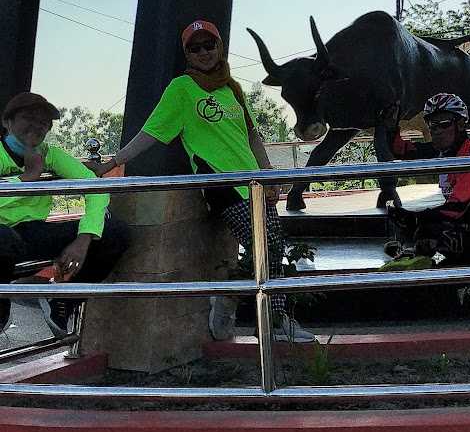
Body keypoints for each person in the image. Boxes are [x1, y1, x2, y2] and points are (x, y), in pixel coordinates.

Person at [94, 19, 315, 342]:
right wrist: (115, 161)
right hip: (219, 181)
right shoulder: (181, 89)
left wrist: (269, 176)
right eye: (194, 48)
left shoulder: (232, 88)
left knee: (273, 245)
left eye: (209, 45)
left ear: (220, 47)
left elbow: (251, 136)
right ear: (187, 54)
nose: (204, 53)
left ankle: (264, 317)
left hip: (252, 182)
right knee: (264, 244)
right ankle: (247, 309)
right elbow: (151, 132)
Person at [0, 92, 130, 337]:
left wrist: (84, 238)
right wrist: (27, 178)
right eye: (28, 117)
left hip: (30, 233)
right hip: (3, 237)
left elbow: (96, 188)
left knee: (116, 233)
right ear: (7, 122)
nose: (37, 126)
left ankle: (62, 301)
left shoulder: (49, 153)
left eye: (44, 122)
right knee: (3, 239)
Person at [383, 92, 470, 266]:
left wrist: (414, 217)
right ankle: (423, 258)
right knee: (426, 233)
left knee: (442, 246)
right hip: (459, 225)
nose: (436, 131)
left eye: (443, 124)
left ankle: (443, 270)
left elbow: (456, 207)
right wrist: (391, 127)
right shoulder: (443, 151)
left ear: (461, 124)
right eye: (432, 124)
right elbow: (402, 150)